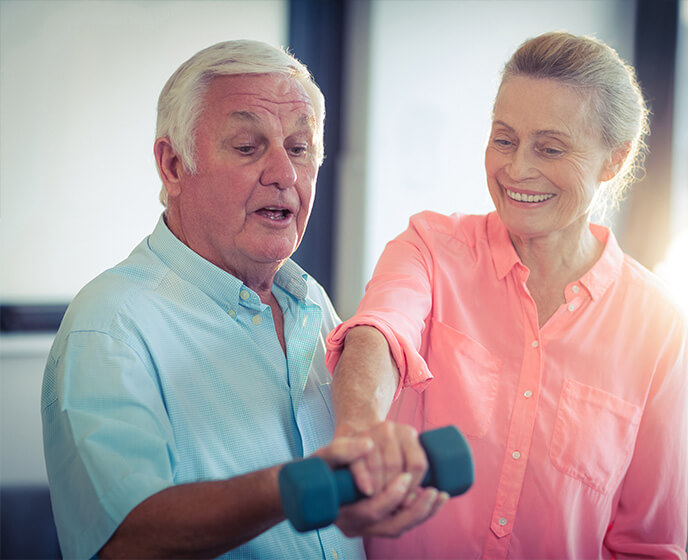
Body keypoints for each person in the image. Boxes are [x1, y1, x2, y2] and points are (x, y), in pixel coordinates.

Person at [41, 40, 445, 560]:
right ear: (172, 165)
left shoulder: (310, 302)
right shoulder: (110, 325)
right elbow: (125, 539)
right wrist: (297, 488)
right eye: (248, 147)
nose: (284, 174)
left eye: (299, 149)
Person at [326, 31, 688, 559]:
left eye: (550, 148)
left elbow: (648, 544)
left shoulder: (658, 322)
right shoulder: (429, 246)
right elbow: (379, 333)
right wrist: (362, 432)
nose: (517, 169)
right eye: (504, 139)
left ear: (614, 160)